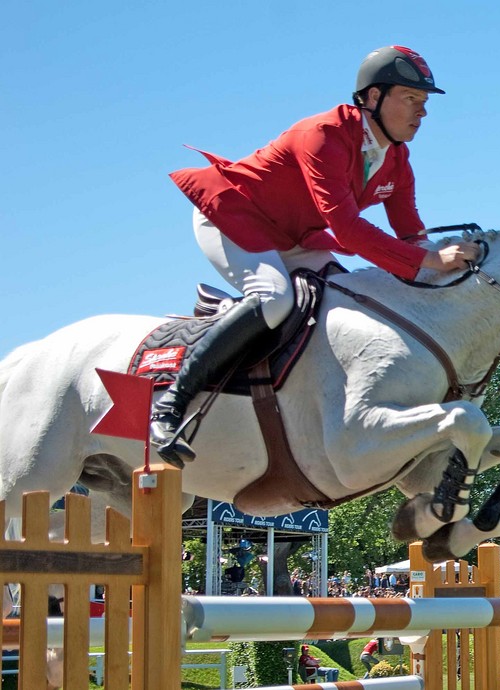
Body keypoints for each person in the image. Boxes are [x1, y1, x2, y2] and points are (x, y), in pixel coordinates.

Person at [150, 46, 480, 467]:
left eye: (425, 102)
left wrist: (449, 264)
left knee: (344, 297)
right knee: (274, 298)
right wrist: (433, 261)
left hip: (292, 235)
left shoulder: (396, 160)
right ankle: (171, 404)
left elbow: (412, 235)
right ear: (373, 98)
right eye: (412, 99)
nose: (423, 112)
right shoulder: (323, 135)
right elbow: (346, 228)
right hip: (233, 216)